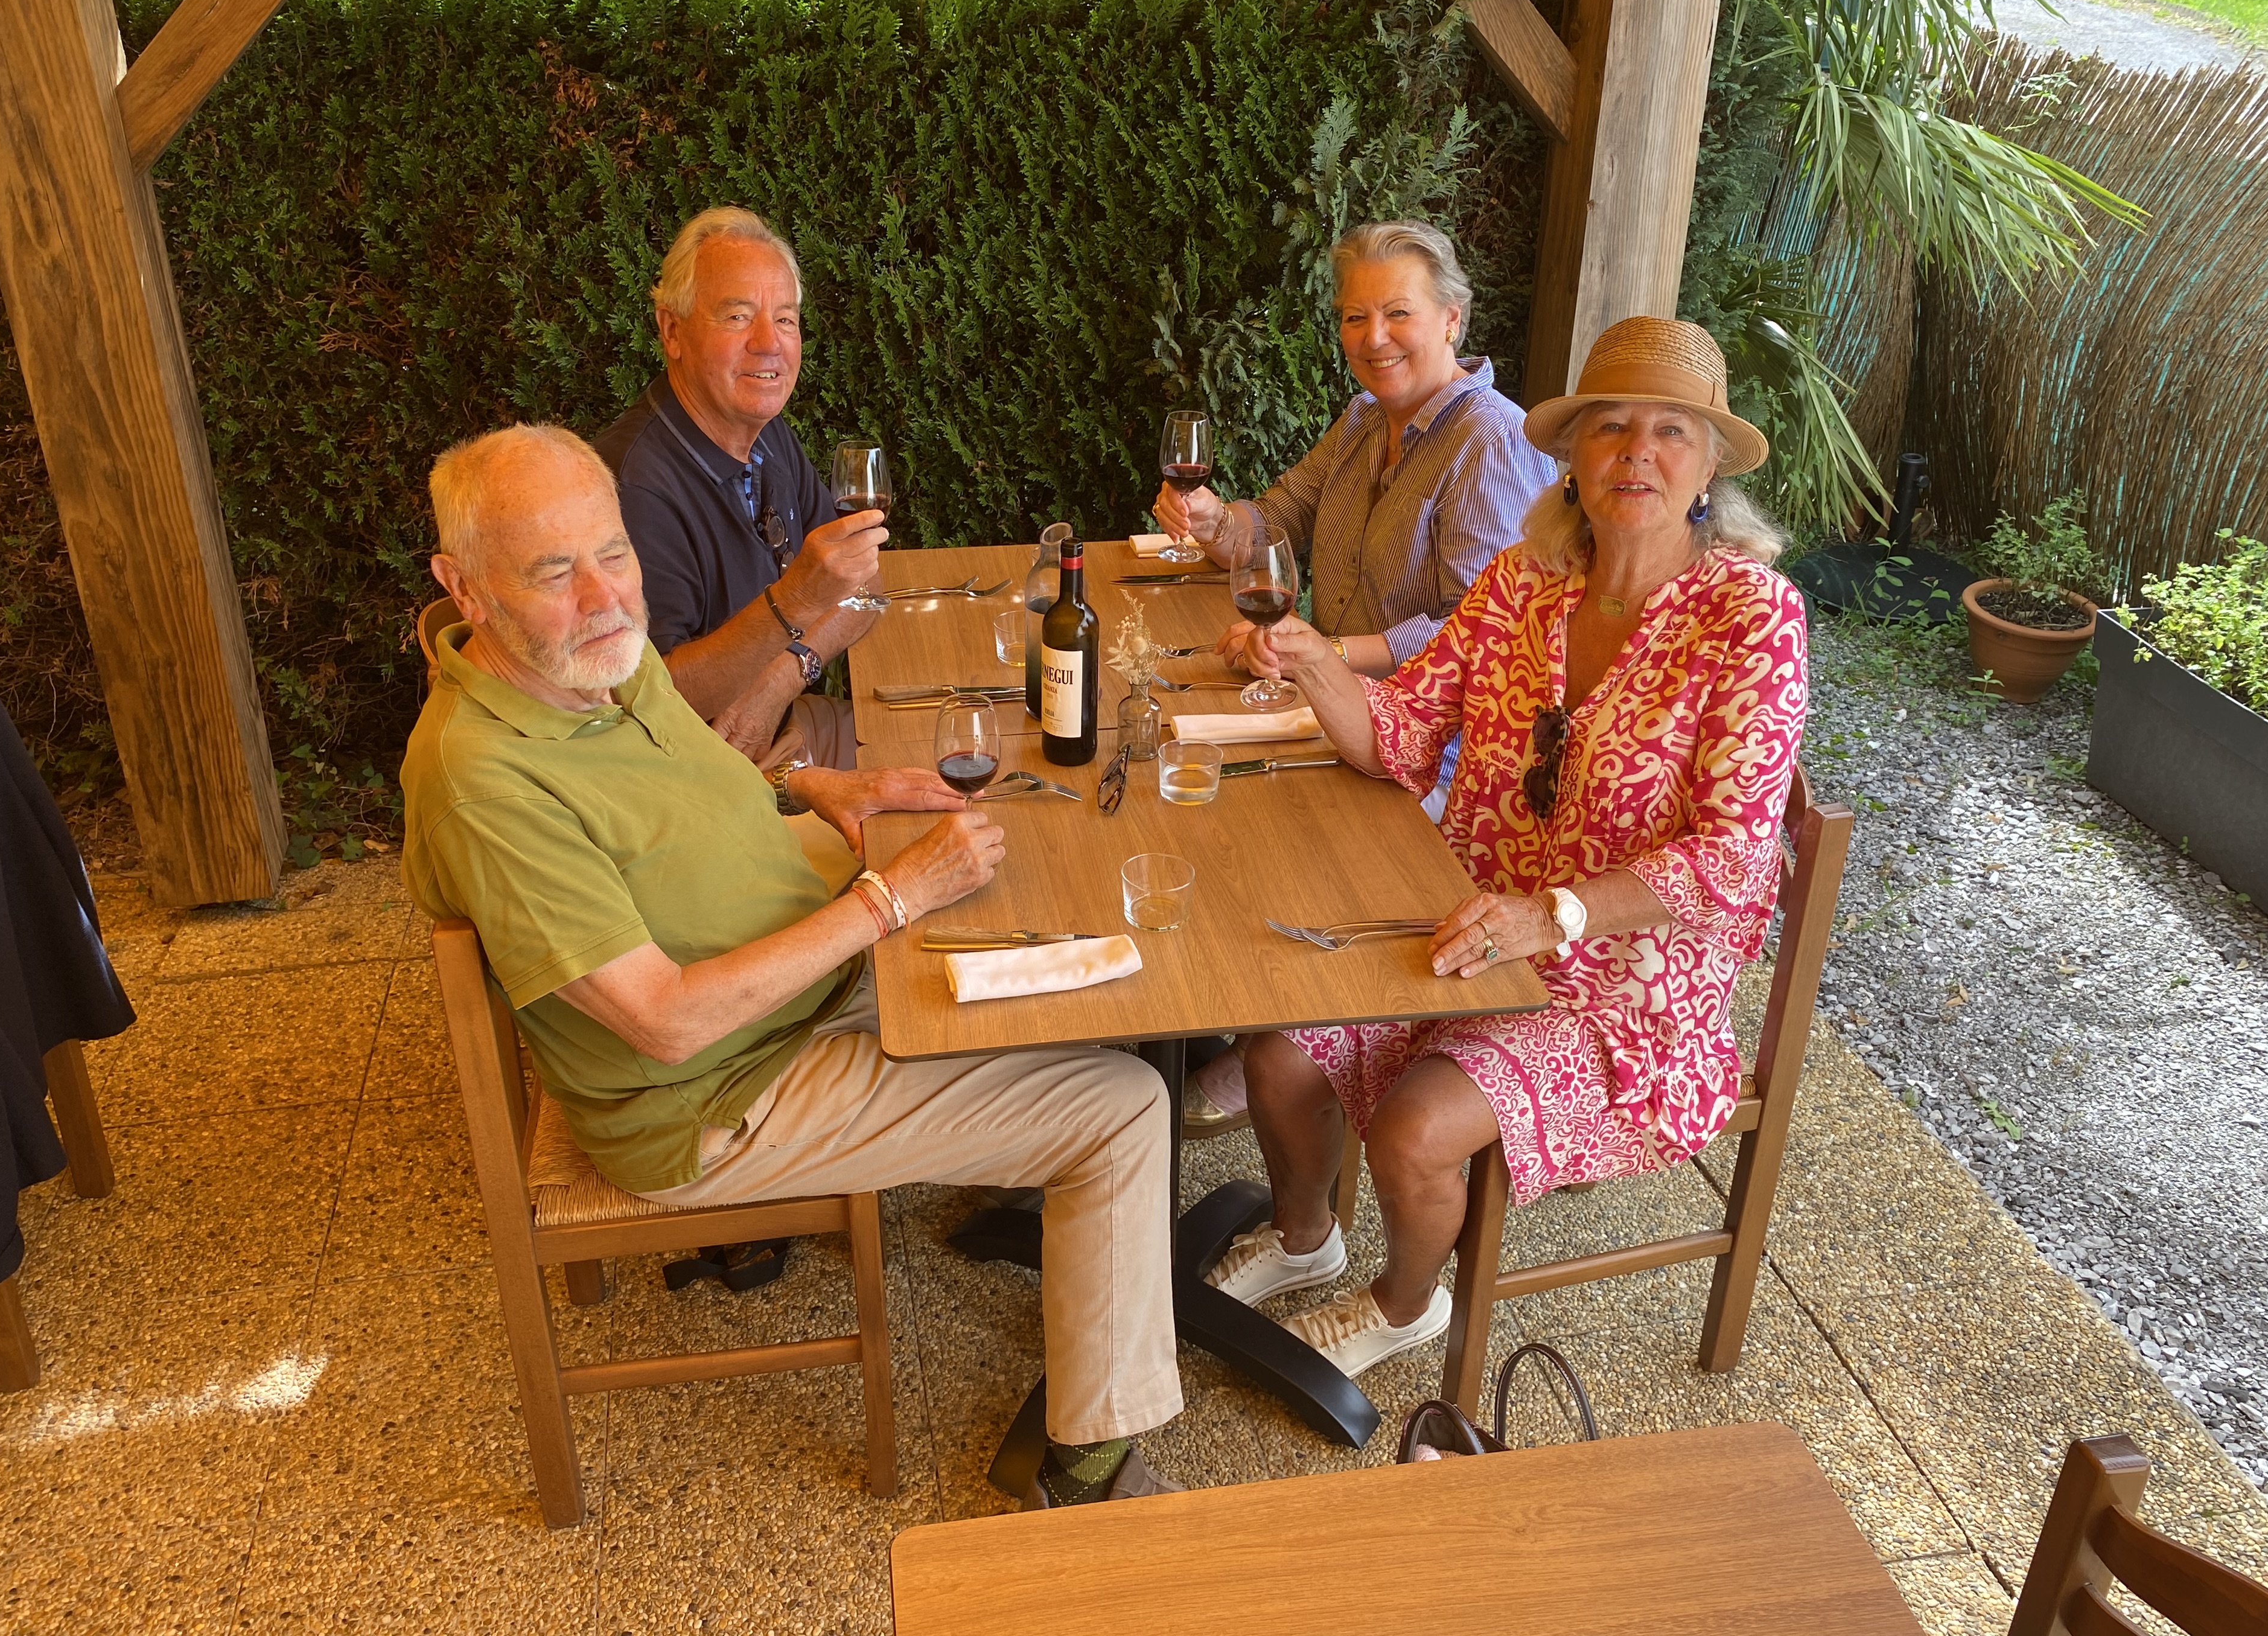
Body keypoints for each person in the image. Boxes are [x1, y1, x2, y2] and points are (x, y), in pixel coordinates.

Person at [403, 423, 1184, 1507]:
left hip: (791, 964)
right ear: (464, 586)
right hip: (719, 1089)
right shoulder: (485, 781)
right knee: (1123, 1106)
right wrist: (889, 899)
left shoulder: (584, 665)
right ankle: (1086, 1472)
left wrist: (820, 787)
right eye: (552, 571)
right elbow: (664, 1021)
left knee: (1060, 931)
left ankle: (1066, 1215)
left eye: (614, 553)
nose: (604, 597)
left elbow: (695, 778)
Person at [1204, 316, 1809, 1382]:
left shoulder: (1750, 616)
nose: (1636, 452)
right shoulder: (1523, 582)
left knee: (1414, 1128)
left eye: (1670, 431)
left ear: (1709, 464)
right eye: (1610, 427)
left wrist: (1553, 913)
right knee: (1280, 1053)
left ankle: (1402, 1303)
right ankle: (1305, 1239)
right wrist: (1314, 663)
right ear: (1572, 455)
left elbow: (1733, 857)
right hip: (1468, 920)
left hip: (1628, 982)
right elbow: (1403, 736)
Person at [1153, 220, 1556, 1137]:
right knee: (1188, 785)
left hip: (1437, 752)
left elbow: (1478, 625)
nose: (1374, 338)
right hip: (1336, 706)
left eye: (1398, 313)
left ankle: (1294, 1023)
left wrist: (1331, 656)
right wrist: (1214, 521)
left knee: (1246, 814)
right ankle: (1245, 1006)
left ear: (1452, 319)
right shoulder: (1365, 419)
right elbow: (1275, 521)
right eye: (1353, 316)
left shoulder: (1492, 440)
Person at [594, 206, 874, 772]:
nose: (769, 343)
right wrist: (799, 603)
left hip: (781, 730)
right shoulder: (636, 489)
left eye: (786, 319)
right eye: (738, 317)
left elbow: (865, 584)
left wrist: (780, 680)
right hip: (701, 782)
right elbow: (647, 699)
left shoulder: (767, 435)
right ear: (672, 330)